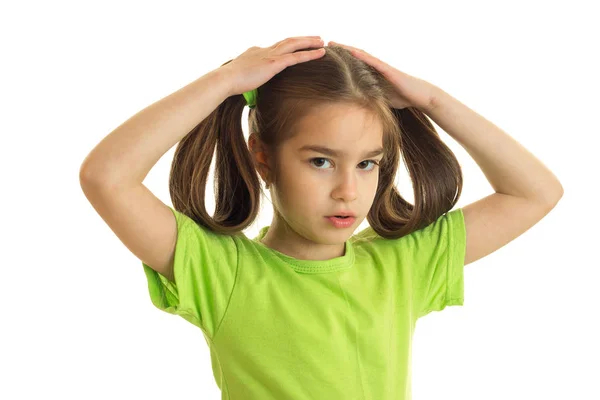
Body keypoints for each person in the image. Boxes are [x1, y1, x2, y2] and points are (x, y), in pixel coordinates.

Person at [79, 36, 563, 400]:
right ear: (263, 157)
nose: (348, 191)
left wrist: (432, 101)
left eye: (367, 163)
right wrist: (225, 80)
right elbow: (107, 177)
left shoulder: (403, 264)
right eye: (321, 161)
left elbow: (535, 192)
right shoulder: (220, 272)